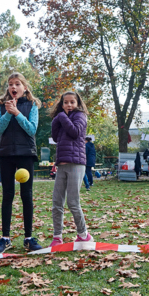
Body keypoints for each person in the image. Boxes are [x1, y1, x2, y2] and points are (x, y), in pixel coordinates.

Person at [0, 73, 42, 253]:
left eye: (17, 84)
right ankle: (5, 238)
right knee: (7, 195)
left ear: (24, 88)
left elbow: (32, 129)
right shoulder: (1, 106)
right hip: (6, 154)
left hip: (25, 153)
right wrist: (7, 113)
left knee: (26, 195)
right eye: (10, 84)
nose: (13, 87)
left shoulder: (32, 105)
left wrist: (17, 113)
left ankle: (28, 238)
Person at [49, 91, 93, 246]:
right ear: (62, 104)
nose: (69, 105)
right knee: (57, 202)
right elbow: (55, 138)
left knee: (73, 202)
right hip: (61, 164)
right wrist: (56, 120)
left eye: (72, 102)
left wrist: (61, 117)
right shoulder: (61, 118)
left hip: (76, 164)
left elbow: (75, 132)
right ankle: (57, 237)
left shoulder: (80, 116)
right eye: (66, 102)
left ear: (78, 103)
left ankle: (83, 234)